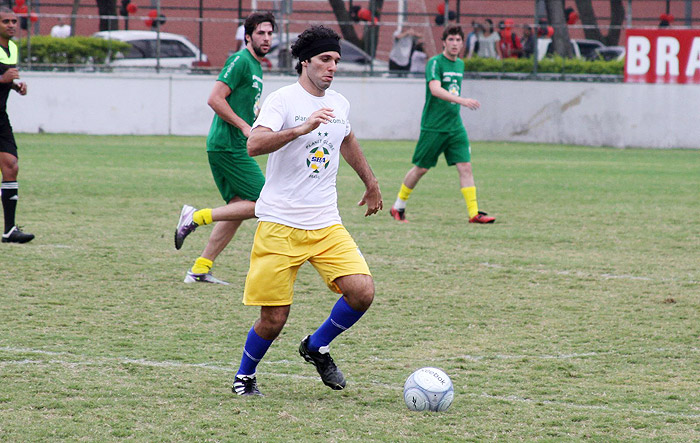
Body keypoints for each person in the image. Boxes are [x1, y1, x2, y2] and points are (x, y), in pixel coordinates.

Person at [231, 25, 383, 396]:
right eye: (324, 60)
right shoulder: (283, 100)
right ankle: (245, 376)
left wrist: (371, 182)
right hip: (281, 224)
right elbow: (254, 143)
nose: (331, 67)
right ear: (305, 62)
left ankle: (316, 346)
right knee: (273, 319)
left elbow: (346, 138)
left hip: (325, 222)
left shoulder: (340, 104)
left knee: (362, 291)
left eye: (335, 61)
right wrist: (300, 129)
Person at [174, 12, 275, 284]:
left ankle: (199, 269)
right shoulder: (240, 61)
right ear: (248, 36)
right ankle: (194, 217)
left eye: (269, 33)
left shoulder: (257, 66)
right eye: (261, 33)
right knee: (265, 203)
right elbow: (215, 99)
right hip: (228, 145)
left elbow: (243, 106)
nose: (266, 38)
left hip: (233, 146)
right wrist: (244, 126)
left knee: (238, 207)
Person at [389, 25, 495, 225]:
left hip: (455, 126)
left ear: (462, 44)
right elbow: (435, 89)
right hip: (434, 126)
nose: (455, 43)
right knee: (421, 169)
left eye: (458, 40)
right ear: (444, 42)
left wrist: (459, 102)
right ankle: (398, 206)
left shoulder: (460, 64)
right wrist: (462, 100)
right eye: (451, 39)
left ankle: (474, 213)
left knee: (465, 167)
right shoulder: (435, 63)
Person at [0, 8, 33, 244]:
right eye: (5, 21)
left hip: (0, 116)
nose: (11, 25)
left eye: (14, 21)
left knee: (11, 166)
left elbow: (4, 76)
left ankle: (9, 230)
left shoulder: (11, 48)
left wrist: (14, 86)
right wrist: (2, 80)